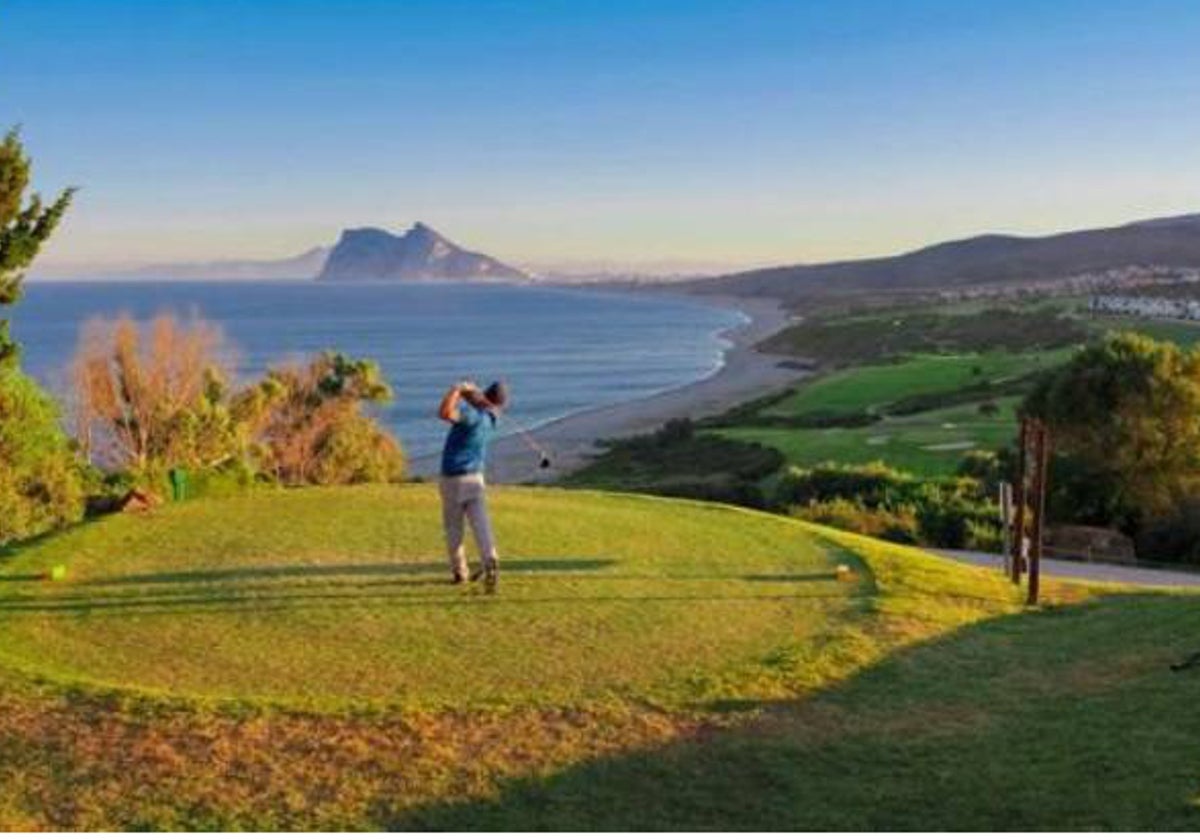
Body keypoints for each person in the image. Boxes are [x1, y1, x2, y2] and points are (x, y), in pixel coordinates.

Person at [437, 379, 508, 590]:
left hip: (453, 478)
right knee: (481, 524)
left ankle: (460, 572)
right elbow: (483, 403)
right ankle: (490, 558)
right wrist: (472, 392)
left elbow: (445, 413)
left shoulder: (472, 416)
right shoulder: (492, 418)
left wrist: (457, 389)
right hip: (476, 479)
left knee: (454, 528)